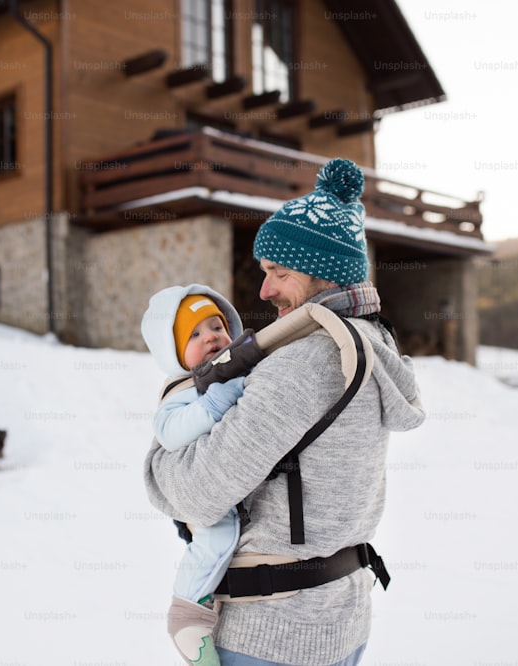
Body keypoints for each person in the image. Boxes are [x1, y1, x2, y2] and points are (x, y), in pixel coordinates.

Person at [143, 158, 426, 666]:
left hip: (271, 635)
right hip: (339, 621)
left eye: (280, 273)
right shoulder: (371, 343)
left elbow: (198, 492)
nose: (264, 291)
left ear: (321, 272)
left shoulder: (303, 363)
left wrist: (159, 460)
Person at [141, 284, 248, 666]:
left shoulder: (233, 370)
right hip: (199, 491)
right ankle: (187, 611)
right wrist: (215, 403)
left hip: (228, 483)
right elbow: (170, 432)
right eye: (195, 334)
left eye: (216, 326)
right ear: (174, 351)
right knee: (215, 536)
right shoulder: (181, 389)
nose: (211, 337)